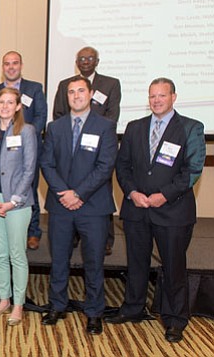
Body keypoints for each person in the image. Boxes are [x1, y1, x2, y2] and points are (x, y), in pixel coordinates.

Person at [105, 78, 205, 343]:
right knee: (136, 263)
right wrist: (132, 192)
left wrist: (165, 195)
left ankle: (175, 319)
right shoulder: (135, 127)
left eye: (162, 95)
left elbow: (193, 169)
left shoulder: (191, 127)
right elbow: (122, 166)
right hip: (137, 208)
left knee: (173, 267)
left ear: (174, 97)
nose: (156, 100)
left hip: (172, 211)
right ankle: (133, 308)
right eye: (152, 96)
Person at [40, 76, 117, 335]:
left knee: (93, 262)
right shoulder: (55, 127)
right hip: (61, 204)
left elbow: (105, 166)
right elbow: (47, 164)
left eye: (80, 91)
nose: (76, 95)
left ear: (91, 93)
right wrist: (65, 192)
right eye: (71, 92)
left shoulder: (105, 126)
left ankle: (94, 312)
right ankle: (57, 304)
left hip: (93, 206)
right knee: (59, 259)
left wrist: (79, 194)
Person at [52, 47, 121, 254]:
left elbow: (112, 115)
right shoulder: (65, 84)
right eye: (81, 58)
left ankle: (105, 238)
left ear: (97, 61)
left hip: (98, 148)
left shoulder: (110, 83)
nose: (85, 61)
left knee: (100, 191)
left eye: (90, 58)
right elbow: (58, 113)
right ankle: (72, 235)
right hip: (69, 148)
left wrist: (92, 129)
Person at [0, 88, 37, 325]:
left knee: (17, 255)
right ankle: (4, 300)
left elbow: (29, 169)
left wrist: (13, 201)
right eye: (1, 102)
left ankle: (18, 304)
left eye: (9, 102)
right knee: (0, 255)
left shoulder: (27, 131)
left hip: (17, 202)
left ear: (18, 106)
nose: (4, 106)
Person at [0, 51, 47, 250]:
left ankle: (33, 232)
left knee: (28, 189)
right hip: (2, 150)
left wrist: (27, 137)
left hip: (27, 149)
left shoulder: (34, 88)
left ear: (21, 65)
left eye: (15, 63)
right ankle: (8, 228)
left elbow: (41, 115)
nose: (11, 67)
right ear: (2, 67)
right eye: (7, 64)